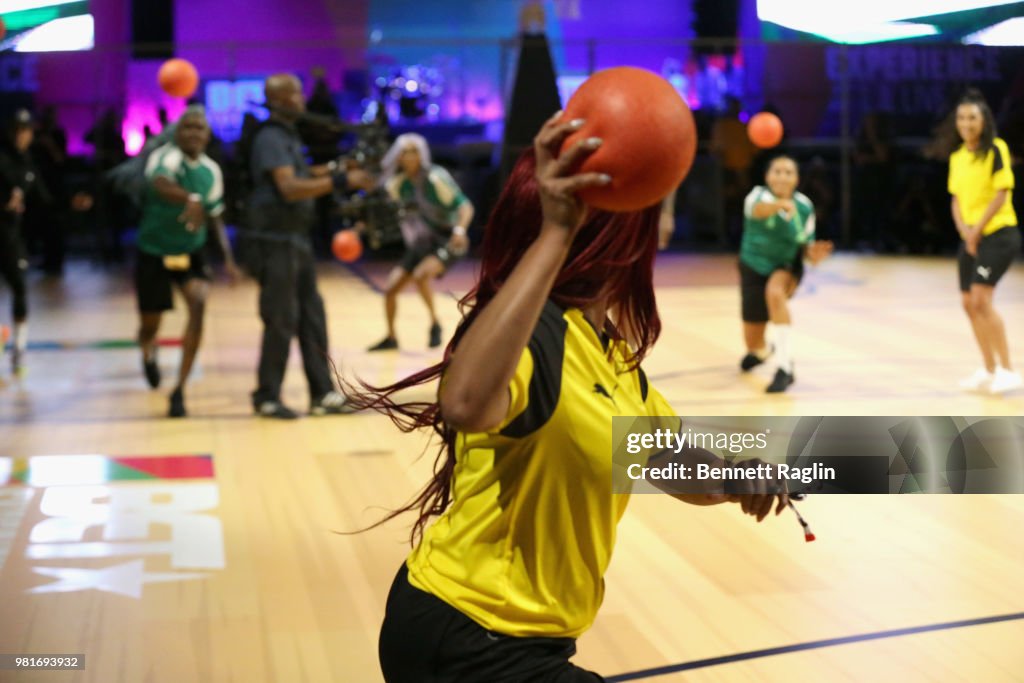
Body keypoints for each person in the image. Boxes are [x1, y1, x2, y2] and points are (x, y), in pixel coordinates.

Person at [348, 113, 789, 681]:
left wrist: (732, 478)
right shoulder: (534, 335)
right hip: (464, 634)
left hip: (530, 642)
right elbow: (463, 404)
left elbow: (664, 457)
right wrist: (557, 232)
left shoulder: (609, 354)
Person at [247, 73, 373, 418]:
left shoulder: (286, 136)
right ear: (283, 98)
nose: (302, 99)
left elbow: (302, 174)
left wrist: (336, 168)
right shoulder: (271, 137)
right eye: (297, 93)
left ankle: (322, 394)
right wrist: (340, 179)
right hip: (275, 242)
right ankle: (266, 396)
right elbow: (289, 187)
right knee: (281, 319)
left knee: (312, 318)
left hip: (295, 240)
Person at [134, 106, 240, 417]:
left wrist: (229, 259)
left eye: (199, 129)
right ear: (177, 133)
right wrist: (189, 199)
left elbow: (216, 218)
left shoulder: (211, 171)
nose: (193, 133)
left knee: (198, 303)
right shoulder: (165, 157)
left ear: (207, 136)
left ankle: (179, 389)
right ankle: (148, 351)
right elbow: (161, 184)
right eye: (187, 128)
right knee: (149, 323)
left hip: (189, 251)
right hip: (154, 250)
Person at [367, 133, 473, 351]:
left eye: (414, 151)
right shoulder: (398, 184)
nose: (409, 156)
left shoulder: (435, 178)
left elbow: (465, 206)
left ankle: (435, 324)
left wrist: (460, 230)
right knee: (391, 289)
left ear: (422, 154)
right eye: (405, 152)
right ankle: (391, 337)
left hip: (447, 239)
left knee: (421, 275)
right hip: (422, 242)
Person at [738, 155, 832, 393]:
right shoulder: (757, 196)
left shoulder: (803, 206)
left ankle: (785, 368)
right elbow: (757, 211)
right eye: (777, 171)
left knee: (775, 293)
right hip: (753, 264)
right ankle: (763, 351)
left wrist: (814, 255)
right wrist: (778, 205)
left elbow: (806, 245)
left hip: (786, 265)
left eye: (788, 172)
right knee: (753, 343)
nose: (782, 176)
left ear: (796, 179)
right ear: (768, 176)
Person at [948, 90, 1021, 394]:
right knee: (968, 303)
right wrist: (965, 231)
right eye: (962, 117)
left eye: (972, 118)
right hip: (971, 236)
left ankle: (1008, 369)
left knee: (981, 299)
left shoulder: (996, 150)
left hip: (999, 233)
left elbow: (1001, 193)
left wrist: (976, 230)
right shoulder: (957, 157)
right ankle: (988, 368)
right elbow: (955, 198)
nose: (966, 123)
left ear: (984, 121)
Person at [0, 110, 48, 376]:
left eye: (25, 130)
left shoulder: (28, 163)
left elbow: (43, 198)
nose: (21, 135)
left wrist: (71, 204)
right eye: (17, 130)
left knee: (20, 287)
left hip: (12, 237)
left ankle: (18, 350)